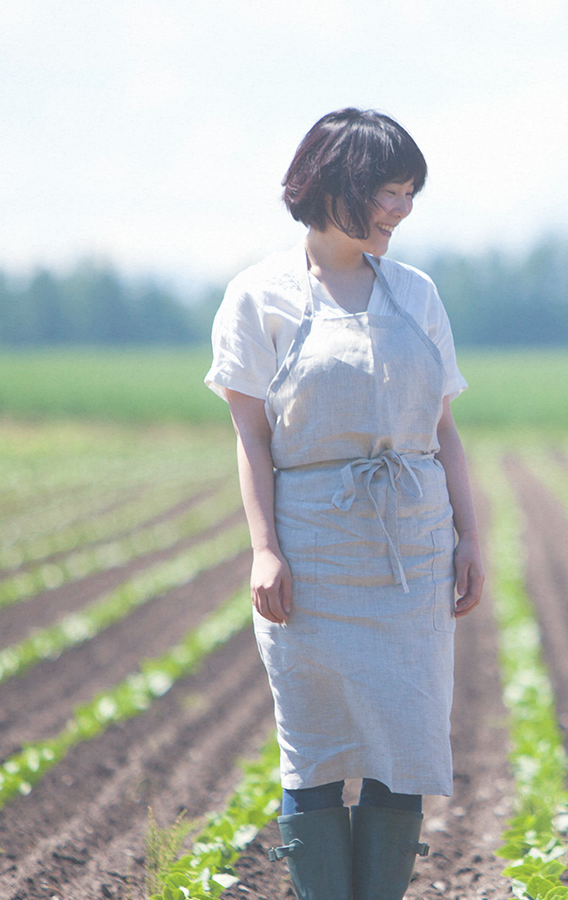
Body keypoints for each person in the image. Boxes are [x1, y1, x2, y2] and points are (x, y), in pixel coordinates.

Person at [204, 108, 484, 900]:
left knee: (406, 742)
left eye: (409, 195)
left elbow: (445, 432)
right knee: (316, 748)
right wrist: (265, 548)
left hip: (413, 550)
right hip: (313, 552)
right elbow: (251, 440)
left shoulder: (417, 293)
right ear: (339, 188)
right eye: (390, 193)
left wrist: (470, 538)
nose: (402, 211)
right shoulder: (259, 296)